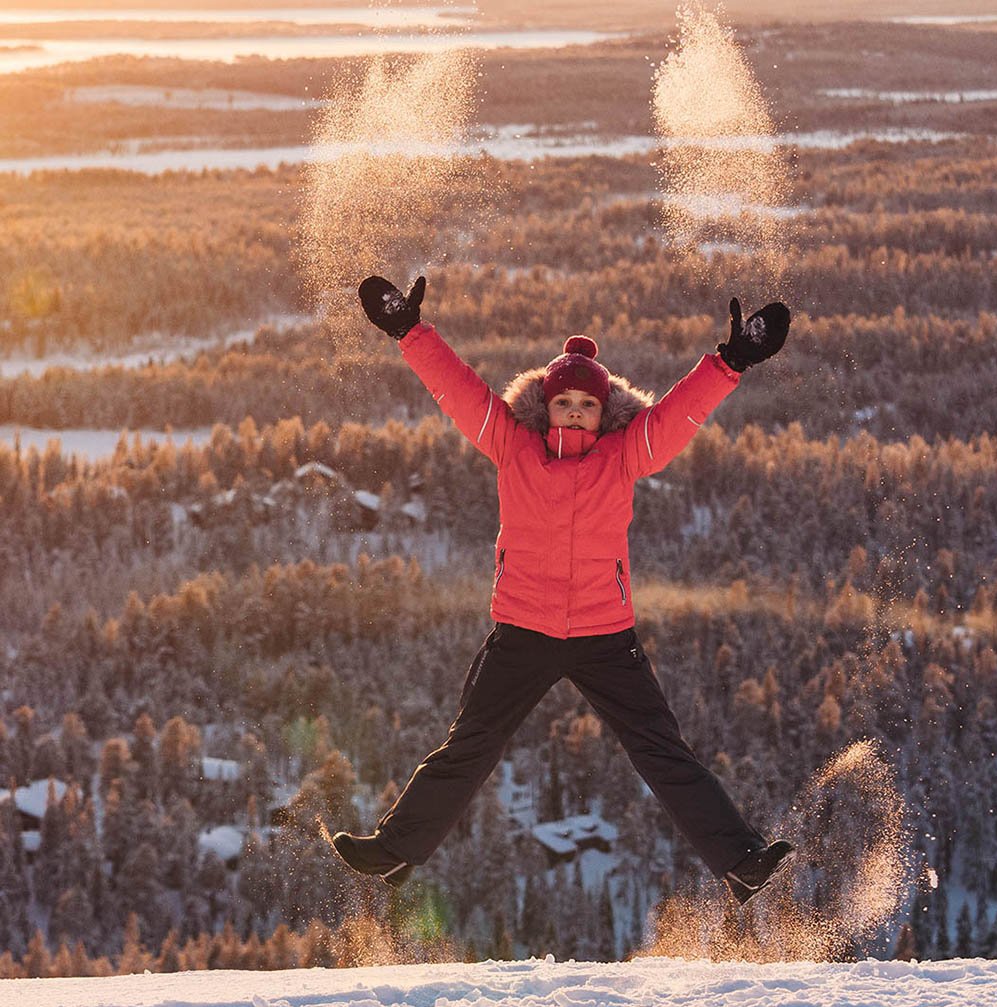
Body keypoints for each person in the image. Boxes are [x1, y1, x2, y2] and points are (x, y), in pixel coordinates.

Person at [331, 274, 794, 904]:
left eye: (587, 405)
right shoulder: (511, 445)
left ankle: (740, 860)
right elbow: (459, 391)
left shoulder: (625, 456)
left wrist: (730, 360)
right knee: (472, 742)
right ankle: (394, 849)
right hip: (522, 629)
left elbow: (678, 416)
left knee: (660, 749)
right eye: (563, 402)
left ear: (605, 413)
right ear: (543, 406)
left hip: (605, 634)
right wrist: (411, 332)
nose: (575, 412)